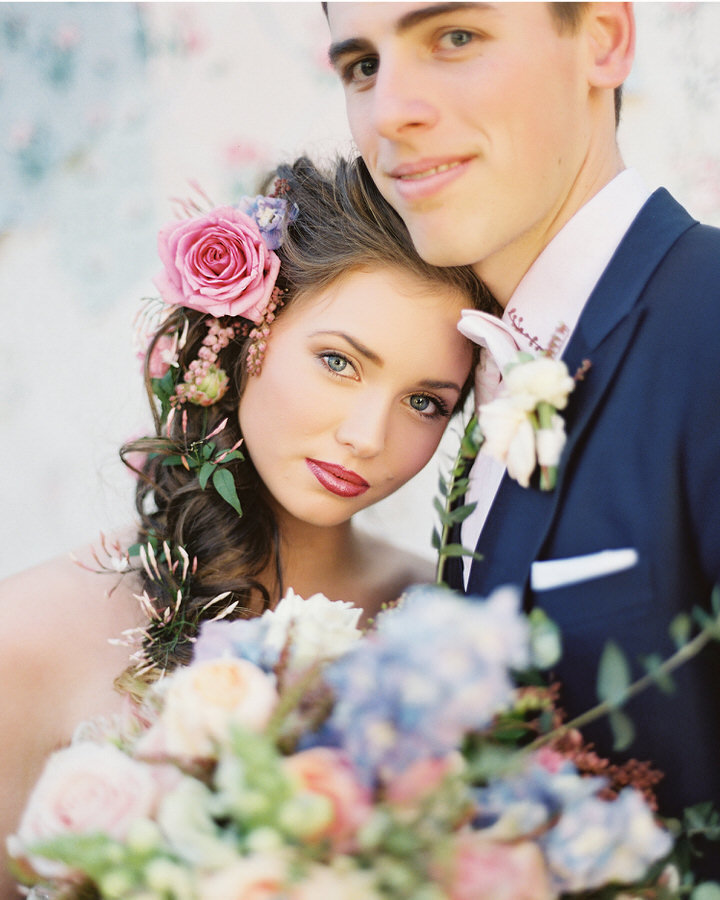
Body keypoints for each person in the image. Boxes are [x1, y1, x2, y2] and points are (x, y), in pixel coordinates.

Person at [0, 155, 489, 898]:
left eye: (426, 402)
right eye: (339, 361)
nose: (367, 435)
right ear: (241, 334)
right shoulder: (30, 636)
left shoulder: (440, 628)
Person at [326, 0, 720, 875]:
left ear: (604, 40)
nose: (390, 111)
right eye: (361, 66)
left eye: (454, 37)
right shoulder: (470, 376)